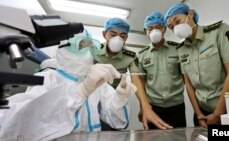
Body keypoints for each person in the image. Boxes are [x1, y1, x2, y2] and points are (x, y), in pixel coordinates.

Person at [0, 33, 137, 141]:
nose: (88, 52)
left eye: (92, 47)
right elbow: (11, 126)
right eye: (81, 45)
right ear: (64, 47)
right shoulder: (47, 78)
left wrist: (120, 97)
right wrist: (80, 92)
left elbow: (118, 123)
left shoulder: (97, 81)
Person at [164, 2, 229, 128]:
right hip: (203, 113)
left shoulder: (219, 31)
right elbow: (188, 84)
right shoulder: (181, 49)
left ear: (190, 14)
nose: (175, 28)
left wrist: (219, 112)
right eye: (171, 27)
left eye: (178, 21)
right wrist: (198, 114)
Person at [132, 11, 186, 130]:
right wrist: (143, 107)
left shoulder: (178, 49)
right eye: (150, 28)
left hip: (176, 106)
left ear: (165, 29)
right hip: (153, 107)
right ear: (145, 31)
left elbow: (186, 77)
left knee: (179, 137)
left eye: (158, 27)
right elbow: (141, 83)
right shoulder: (141, 55)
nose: (154, 31)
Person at [94, 17, 137, 89]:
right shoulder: (94, 49)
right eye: (113, 35)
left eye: (122, 36)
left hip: (115, 93)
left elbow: (136, 77)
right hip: (93, 91)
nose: (117, 40)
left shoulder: (131, 56)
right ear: (104, 35)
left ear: (126, 38)